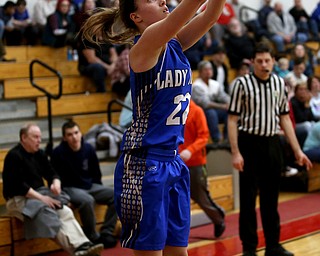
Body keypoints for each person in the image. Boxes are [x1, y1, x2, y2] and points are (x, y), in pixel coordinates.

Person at [80, 0, 226, 255]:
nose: (161, 0)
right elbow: (189, 9)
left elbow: (211, 15)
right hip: (144, 164)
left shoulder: (176, 43)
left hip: (173, 160)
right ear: (136, 17)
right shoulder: (145, 45)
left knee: (179, 252)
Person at [228, 42, 312, 256]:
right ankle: (249, 248)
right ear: (253, 62)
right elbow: (231, 120)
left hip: (272, 143)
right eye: (260, 61)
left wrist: (297, 151)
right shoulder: (241, 84)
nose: (264, 64)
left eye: (267, 60)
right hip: (249, 142)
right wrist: (236, 152)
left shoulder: (278, 83)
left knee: (271, 199)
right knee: (247, 200)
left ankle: (273, 246)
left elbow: (284, 119)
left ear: (273, 61)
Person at [2, 123, 104, 256]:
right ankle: (77, 251)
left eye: (40, 137)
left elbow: (52, 173)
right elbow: (18, 185)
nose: (39, 140)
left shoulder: (39, 153)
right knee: (48, 214)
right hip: (18, 200)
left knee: (65, 211)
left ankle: (84, 244)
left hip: (38, 196)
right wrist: (43, 199)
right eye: (35, 137)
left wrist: (56, 183)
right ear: (23, 137)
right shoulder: (14, 156)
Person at [51, 121, 118, 248]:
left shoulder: (88, 148)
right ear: (64, 138)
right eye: (70, 135)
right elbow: (54, 176)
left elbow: (96, 173)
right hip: (70, 187)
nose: (74, 137)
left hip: (89, 185)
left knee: (117, 195)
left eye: (76, 133)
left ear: (81, 133)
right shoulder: (57, 153)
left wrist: (99, 189)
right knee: (87, 200)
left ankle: (107, 232)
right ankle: (93, 236)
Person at [178, 99, 225, 238]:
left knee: (200, 195)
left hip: (195, 161)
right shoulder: (173, 111)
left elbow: (203, 136)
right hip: (178, 162)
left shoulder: (197, 111)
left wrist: (190, 150)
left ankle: (218, 218)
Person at [192, 60, 230, 144]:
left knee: (230, 111)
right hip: (201, 112)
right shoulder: (196, 86)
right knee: (211, 113)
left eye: (210, 69)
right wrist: (223, 106)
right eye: (206, 69)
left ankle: (227, 138)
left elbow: (223, 96)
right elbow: (205, 104)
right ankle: (216, 139)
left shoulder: (215, 84)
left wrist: (232, 104)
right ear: (200, 72)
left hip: (214, 110)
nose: (208, 71)